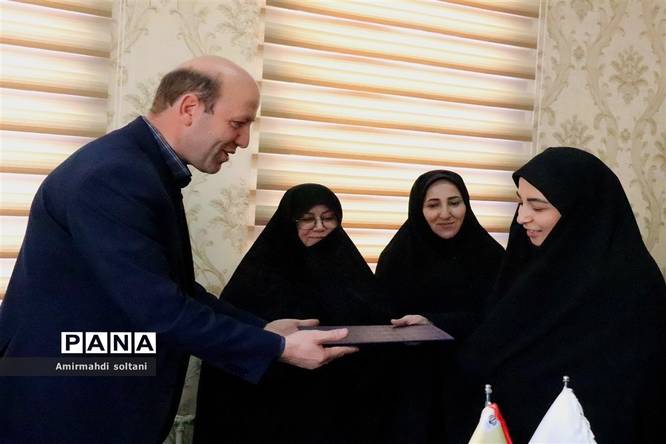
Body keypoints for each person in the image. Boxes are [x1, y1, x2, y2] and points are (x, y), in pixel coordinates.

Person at [0, 57, 355, 443]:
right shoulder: (116, 174)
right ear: (189, 108)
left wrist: (261, 328)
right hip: (66, 400)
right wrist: (276, 348)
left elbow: (175, 288)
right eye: (238, 123)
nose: (243, 141)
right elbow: (160, 308)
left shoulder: (138, 166)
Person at [451, 147, 666, 443]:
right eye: (521, 202)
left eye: (538, 207)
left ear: (581, 212)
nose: (522, 217)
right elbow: (495, 331)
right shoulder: (532, 267)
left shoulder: (631, 286)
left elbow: (622, 394)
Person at [194, 183, 389, 444]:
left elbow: (376, 323)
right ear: (289, 222)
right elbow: (233, 345)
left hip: (338, 405)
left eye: (328, 218)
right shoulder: (258, 272)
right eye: (307, 219)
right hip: (273, 407)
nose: (319, 226)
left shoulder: (351, 267)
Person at [374, 170, 504, 443]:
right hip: (414, 388)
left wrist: (435, 322)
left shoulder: (490, 256)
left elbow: (500, 319)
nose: (446, 214)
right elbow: (384, 321)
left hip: (474, 385)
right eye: (433, 205)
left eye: (454, 202)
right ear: (418, 209)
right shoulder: (398, 257)